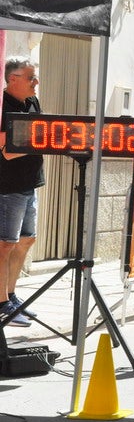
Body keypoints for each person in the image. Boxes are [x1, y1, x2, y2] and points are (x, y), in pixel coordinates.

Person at [0, 57, 45, 327]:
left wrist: (39, 141)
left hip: (31, 183)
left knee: (27, 240)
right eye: (31, 78)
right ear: (13, 78)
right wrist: (40, 142)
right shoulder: (3, 106)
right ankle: (2, 304)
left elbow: (39, 135)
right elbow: (7, 151)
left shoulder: (32, 102)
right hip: (8, 187)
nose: (36, 82)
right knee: (5, 245)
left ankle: (12, 297)